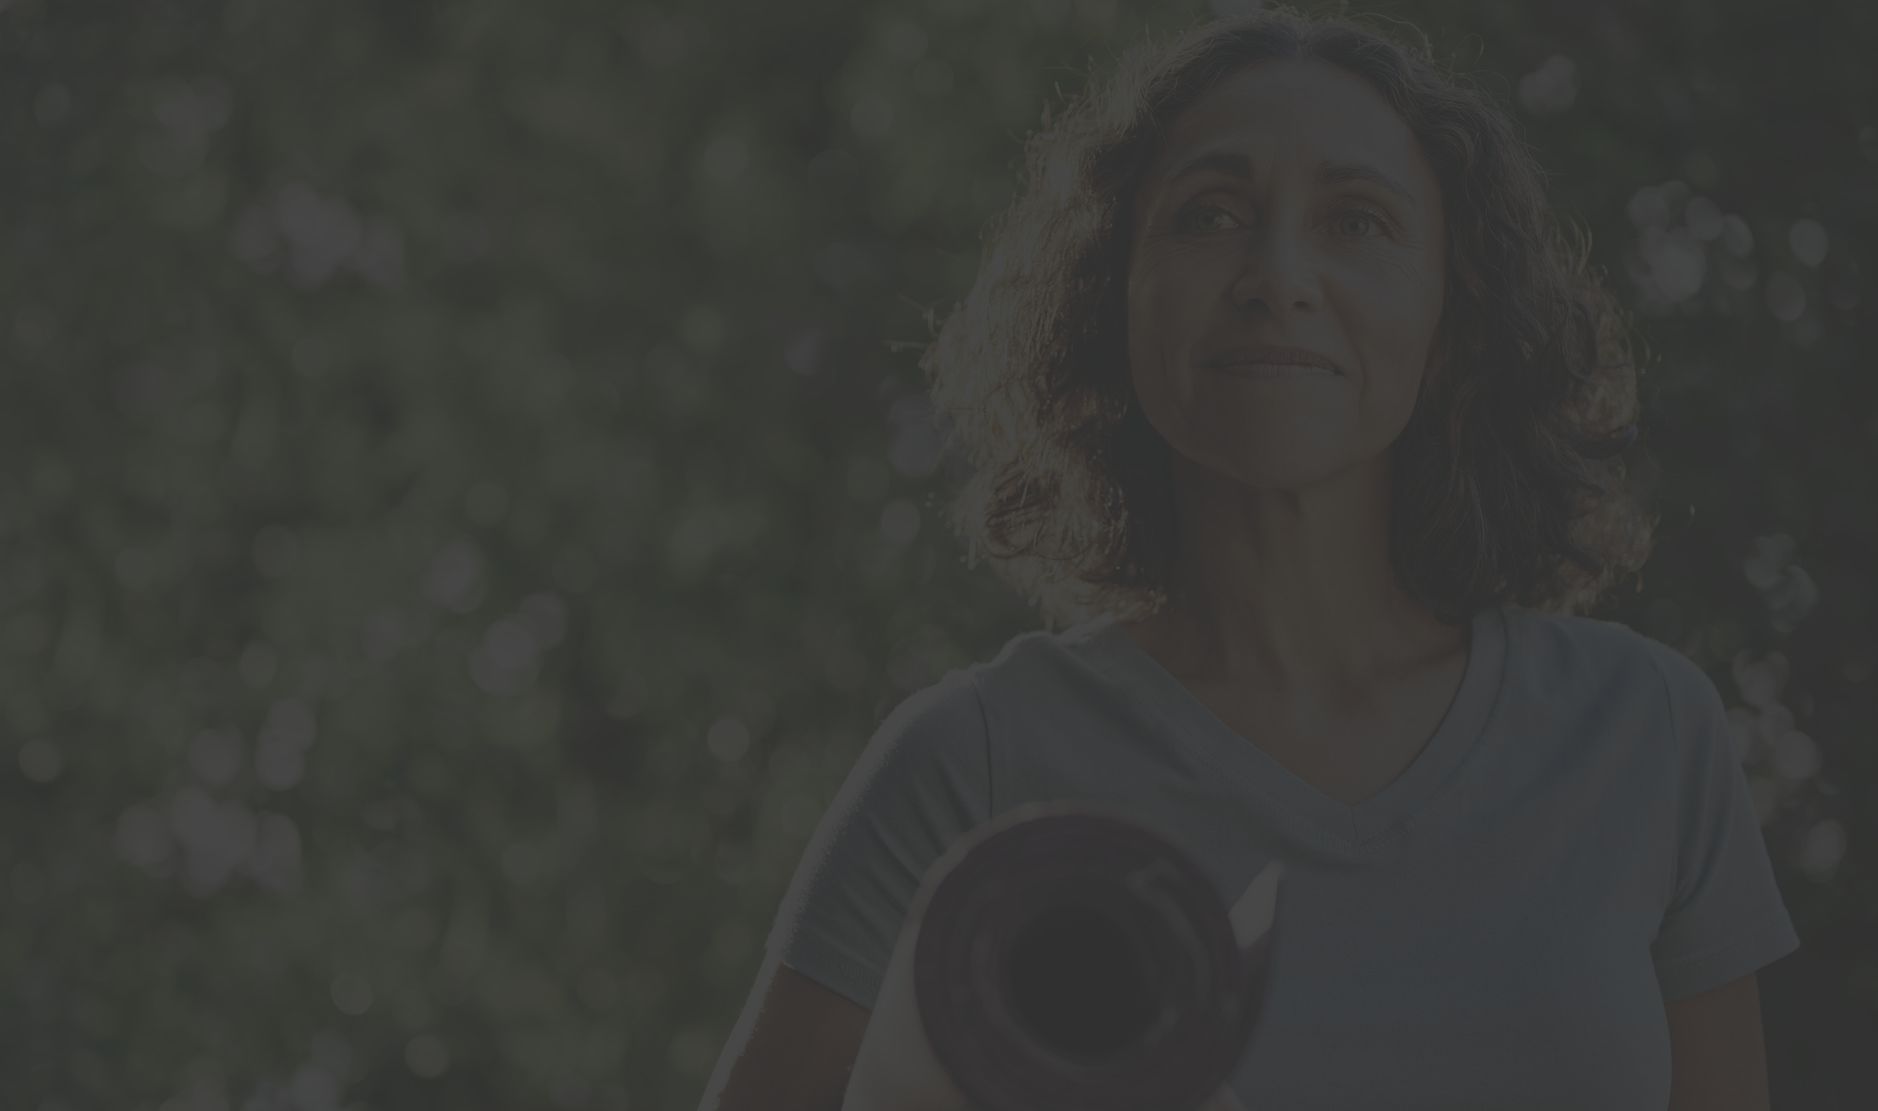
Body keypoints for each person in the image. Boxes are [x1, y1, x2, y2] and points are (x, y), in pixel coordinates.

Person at [699, 6, 1799, 1110]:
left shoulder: (1646, 733)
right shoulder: (970, 765)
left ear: (1450, 314)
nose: (1279, 274)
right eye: (1210, 214)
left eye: (1357, 222)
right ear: (1110, 296)